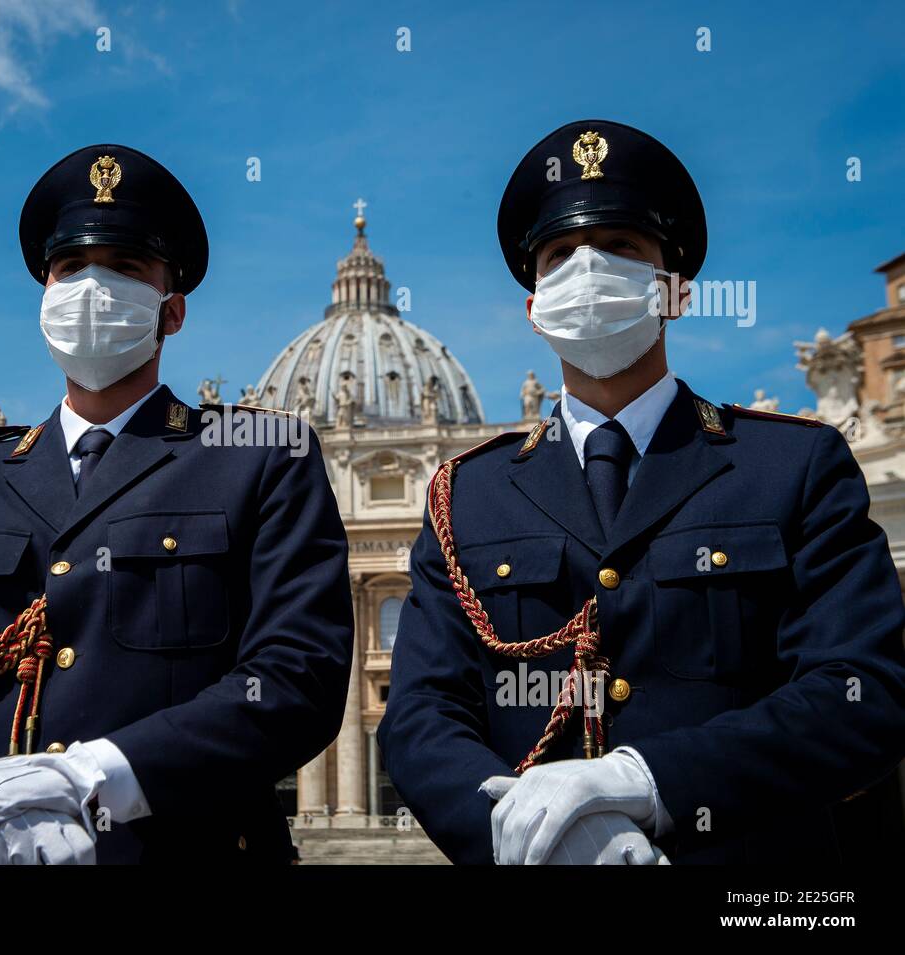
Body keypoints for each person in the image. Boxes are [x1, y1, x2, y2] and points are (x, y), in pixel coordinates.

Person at [378, 119, 905, 864]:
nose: (588, 270)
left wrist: (646, 780)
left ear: (676, 291)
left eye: (621, 247)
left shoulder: (795, 465)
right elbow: (420, 720)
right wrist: (531, 834)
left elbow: (865, 692)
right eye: (560, 256)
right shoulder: (463, 496)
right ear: (535, 307)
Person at [0, 144, 354, 865]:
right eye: (71, 267)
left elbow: (300, 676)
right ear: (44, 298)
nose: (91, 287)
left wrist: (94, 774)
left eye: (124, 268)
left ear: (170, 311)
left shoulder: (260, 456)